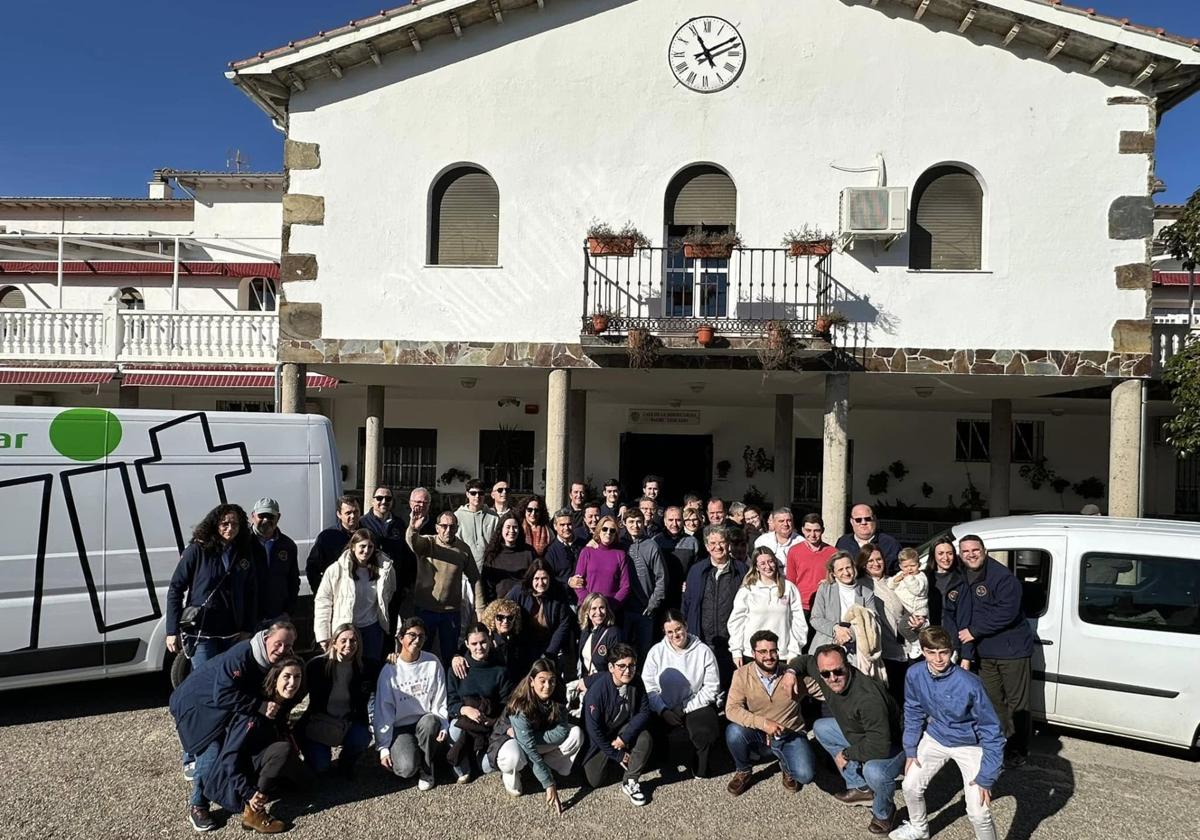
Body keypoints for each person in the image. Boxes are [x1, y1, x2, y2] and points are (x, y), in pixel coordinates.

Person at [169, 621, 297, 832]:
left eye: (288, 646)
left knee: (239, 743)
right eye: (278, 643)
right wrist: (259, 705)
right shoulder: (242, 655)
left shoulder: (268, 660)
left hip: (224, 708)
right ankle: (198, 805)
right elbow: (223, 694)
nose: (282, 650)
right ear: (266, 639)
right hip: (198, 706)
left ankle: (239, 790)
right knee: (211, 754)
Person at [888, 627, 1005, 840]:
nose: (938, 658)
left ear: (951, 651)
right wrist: (911, 749)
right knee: (910, 785)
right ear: (923, 652)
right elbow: (913, 710)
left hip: (970, 743)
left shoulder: (970, 683)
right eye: (931, 652)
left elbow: (992, 730)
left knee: (979, 811)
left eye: (943, 652)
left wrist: (987, 777)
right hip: (936, 736)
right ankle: (918, 829)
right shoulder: (915, 674)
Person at [786, 644, 906, 835]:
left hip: (894, 743)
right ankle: (861, 788)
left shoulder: (868, 699)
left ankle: (884, 812)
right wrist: (791, 671)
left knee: (874, 771)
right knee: (821, 728)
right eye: (825, 674)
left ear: (847, 666)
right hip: (862, 733)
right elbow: (805, 661)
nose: (832, 678)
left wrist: (847, 754)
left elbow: (880, 747)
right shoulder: (824, 672)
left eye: (838, 671)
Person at [945, 534, 1035, 768]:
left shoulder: (1003, 577)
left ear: (984, 551)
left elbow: (1008, 612)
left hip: (1012, 650)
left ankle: (1018, 750)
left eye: (975, 550)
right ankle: (1000, 743)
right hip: (985, 652)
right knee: (993, 702)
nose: (971, 555)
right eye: (965, 552)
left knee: (1018, 704)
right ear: (960, 555)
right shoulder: (961, 576)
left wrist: (974, 631)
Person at [204, 656, 311, 833]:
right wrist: (248, 793)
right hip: (241, 770)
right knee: (282, 750)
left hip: (262, 756)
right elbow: (229, 758)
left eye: (297, 677)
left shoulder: (283, 701)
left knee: (309, 784)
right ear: (275, 677)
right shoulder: (255, 711)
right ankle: (254, 810)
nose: (292, 683)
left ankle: (274, 782)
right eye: (287, 677)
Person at [166, 503, 262, 672]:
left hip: (233, 633)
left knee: (228, 680)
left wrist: (248, 628)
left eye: (235, 524)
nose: (230, 528)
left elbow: (251, 594)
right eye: (225, 524)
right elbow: (175, 589)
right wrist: (172, 631)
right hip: (202, 632)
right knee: (206, 678)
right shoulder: (197, 550)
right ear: (215, 525)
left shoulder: (244, 553)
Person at [724, 629, 816, 796]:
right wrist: (764, 724)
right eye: (763, 652)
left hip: (790, 733)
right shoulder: (741, 674)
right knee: (734, 732)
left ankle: (787, 767)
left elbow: (824, 689)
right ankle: (744, 771)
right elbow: (731, 709)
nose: (769, 656)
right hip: (760, 735)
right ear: (753, 653)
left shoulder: (791, 675)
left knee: (805, 775)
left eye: (773, 651)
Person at [488, 658, 584, 807]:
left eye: (551, 680)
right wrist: (549, 784)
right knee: (512, 757)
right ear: (532, 680)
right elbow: (528, 746)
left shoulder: (558, 694)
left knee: (576, 734)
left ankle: (546, 766)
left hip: (531, 739)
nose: (547, 686)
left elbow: (562, 730)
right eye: (542, 681)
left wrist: (528, 738)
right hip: (509, 740)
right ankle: (512, 773)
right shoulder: (520, 703)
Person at [641, 610, 721, 778]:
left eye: (678, 629)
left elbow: (711, 687)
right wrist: (663, 710)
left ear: (685, 625)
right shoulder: (656, 652)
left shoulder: (703, 651)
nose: (675, 635)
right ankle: (658, 758)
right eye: (670, 632)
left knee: (705, 731)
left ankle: (699, 764)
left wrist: (685, 707)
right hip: (664, 706)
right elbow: (648, 686)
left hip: (694, 704)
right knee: (646, 727)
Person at [375, 617, 449, 791]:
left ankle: (427, 767)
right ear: (401, 638)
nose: (417, 640)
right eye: (412, 635)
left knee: (431, 721)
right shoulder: (390, 670)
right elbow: (383, 710)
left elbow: (440, 697)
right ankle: (413, 754)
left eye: (421, 636)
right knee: (406, 769)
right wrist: (383, 747)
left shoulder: (432, 662)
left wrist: (444, 724)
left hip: (425, 723)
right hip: (400, 728)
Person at [407, 510, 485, 666]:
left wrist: (480, 608)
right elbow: (413, 542)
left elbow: (475, 578)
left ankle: (450, 688)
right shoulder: (428, 543)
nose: (448, 530)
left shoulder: (463, 549)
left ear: (457, 528)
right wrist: (413, 528)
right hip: (425, 609)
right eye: (444, 526)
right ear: (437, 528)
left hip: (451, 613)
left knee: (451, 656)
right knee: (421, 652)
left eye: (452, 526)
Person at [582, 643, 653, 806]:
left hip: (622, 730)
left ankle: (630, 780)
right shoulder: (597, 691)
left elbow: (644, 712)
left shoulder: (636, 680)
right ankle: (620, 759)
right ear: (611, 667)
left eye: (631, 665)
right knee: (595, 780)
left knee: (645, 737)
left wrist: (624, 738)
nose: (627, 671)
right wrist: (616, 754)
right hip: (602, 737)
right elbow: (594, 730)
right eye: (621, 666)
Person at [313, 528, 395, 669]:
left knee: (371, 669)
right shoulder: (336, 570)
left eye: (370, 546)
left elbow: (390, 592)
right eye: (362, 546)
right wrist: (323, 636)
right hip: (346, 629)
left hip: (372, 628)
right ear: (353, 546)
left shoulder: (385, 568)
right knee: (344, 669)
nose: (366, 551)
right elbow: (323, 603)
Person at [299, 624, 372, 776]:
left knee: (362, 737)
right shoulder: (316, 666)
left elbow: (387, 672)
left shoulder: (366, 667)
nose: (348, 645)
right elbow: (298, 694)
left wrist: (394, 658)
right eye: (343, 640)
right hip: (320, 722)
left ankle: (346, 762)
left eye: (353, 641)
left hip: (348, 721)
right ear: (334, 642)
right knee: (320, 766)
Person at [682, 525, 747, 689]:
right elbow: (687, 604)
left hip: (731, 644)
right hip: (703, 641)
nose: (717, 547)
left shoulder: (742, 570)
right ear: (706, 546)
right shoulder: (697, 571)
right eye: (712, 543)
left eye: (722, 542)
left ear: (728, 544)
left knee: (730, 688)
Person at [447, 622, 513, 782]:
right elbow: (451, 703)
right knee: (455, 729)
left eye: (483, 642)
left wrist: (492, 720)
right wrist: (465, 710)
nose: (479, 647)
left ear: (490, 640)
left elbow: (506, 703)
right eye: (474, 643)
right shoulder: (458, 669)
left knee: (487, 767)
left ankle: (477, 755)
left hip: (489, 724)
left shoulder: (500, 670)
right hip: (465, 723)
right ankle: (463, 759)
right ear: (467, 645)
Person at [810, 552, 884, 680]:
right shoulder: (825, 589)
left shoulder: (866, 593)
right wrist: (836, 629)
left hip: (856, 652)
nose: (846, 572)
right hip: (826, 647)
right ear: (833, 573)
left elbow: (874, 623)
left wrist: (851, 634)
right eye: (840, 569)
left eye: (848, 567)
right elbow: (815, 619)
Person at [728, 546, 808, 665]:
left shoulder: (789, 588)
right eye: (763, 563)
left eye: (770, 562)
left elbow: (798, 622)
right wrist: (736, 651)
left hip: (781, 654)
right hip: (752, 654)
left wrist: (794, 651)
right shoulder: (748, 590)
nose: (768, 566)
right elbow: (736, 622)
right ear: (756, 567)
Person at [861, 544, 921, 701]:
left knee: (908, 696)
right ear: (863, 564)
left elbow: (912, 602)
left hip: (906, 645)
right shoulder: (860, 585)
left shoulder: (895, 580)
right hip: (882, 651)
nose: (876, 563)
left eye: (879, 559)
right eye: (870, 560)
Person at [511, 559, 573, 671]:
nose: (541, 583)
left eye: (544, 578)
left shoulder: (559, 592)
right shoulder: (519, 591)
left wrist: (551, 652)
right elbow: (503, 608)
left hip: (549, 643)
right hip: (524, 644)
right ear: (531, 579)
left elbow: (563, 623)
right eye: (537, 579)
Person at [622, 508, 667, 656]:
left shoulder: (652, 546)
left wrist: (653, 603)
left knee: (644, 652)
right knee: (623, 651)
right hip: (623, 609)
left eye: (638, 522)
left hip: (645, 609)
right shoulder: (620, 545)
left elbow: (661, 577)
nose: (635, 525)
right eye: (631, 522)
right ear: (624, 523)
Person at [250, 498, 299, 624]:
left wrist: (288, 611)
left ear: (278, 517)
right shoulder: (242, 543)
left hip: (277, 617)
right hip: (248, 620)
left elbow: (293, 581)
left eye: (270, 516)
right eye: (262, 516)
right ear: (253, 516)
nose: (266, 520)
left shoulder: (288, 545)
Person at [569, 593, 622, 704]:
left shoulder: (613, 633)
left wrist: (587, 681)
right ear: (587, 611)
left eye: (602, 608)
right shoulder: (585, 631)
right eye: (594, 608)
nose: (598, 612)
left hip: (603, 688)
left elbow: (614, 671)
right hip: (587, 687)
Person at [569, 515, 630, 608]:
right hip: (587, 607)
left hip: (611, 608)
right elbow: (578, 582)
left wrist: (611, 605)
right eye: (605, 529)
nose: (608, 533)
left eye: (612, 530)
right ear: (599, 530)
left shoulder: (620, 555)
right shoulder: (587, 551)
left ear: (616, 534)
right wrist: (590, 604)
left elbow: (625, 586)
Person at [786, 513, 838, 618]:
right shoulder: (794, 551)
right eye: (808, 530)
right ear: (803, 530)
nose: (813, 535)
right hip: (801, 605)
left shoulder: (833, 552)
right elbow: (790, 581)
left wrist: (830, 581)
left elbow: (839, 578)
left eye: (816, 530)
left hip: (825, 604)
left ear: (822, 530)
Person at [305, 496, 361, 593]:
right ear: (339, 514)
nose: (353, 516)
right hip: (336, 593)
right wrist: (321, 592)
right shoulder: (327, 537)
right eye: (348, 513)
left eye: (356, 512)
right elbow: (312, 568)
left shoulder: (368, 535)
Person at [481, 512, 535, 603]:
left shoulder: (529, 553)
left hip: (524, 604)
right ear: (501, 529)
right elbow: (487, 586)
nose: (512, 531)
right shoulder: (492, 554)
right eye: (508, 527)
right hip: (499, 606)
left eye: (515, 527)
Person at [654, 505, 699, 609]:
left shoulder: (692, 542)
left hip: (684, 595)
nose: (674, 524)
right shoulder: (656, 542)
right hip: (662, 595)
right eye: (670, 520)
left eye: (678, 520)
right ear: (664, 521)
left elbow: (696, 569)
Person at [836, 504, 902, 575]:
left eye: (867, 519)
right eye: (858, 520)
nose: (863, 523)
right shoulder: (843, 542)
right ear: (852, 522)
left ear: (874, 519)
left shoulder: (890, 543)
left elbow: (899, 571)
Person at [889, 548, 930, 660]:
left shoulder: (921, 577)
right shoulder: (902, 574)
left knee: (903, 627)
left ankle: (916, 643)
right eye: (906, 566)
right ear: (901, 566)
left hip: (917, 609)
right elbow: (890, 585)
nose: (909, 569)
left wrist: (908, 578)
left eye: (913, 565)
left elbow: (916, 590)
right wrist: (897, 579)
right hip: (907, 608)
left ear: (919, 564)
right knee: (903, 626)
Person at [456, 479, 499, 565]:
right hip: (464, 567)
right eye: (473, 493)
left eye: (481, 493)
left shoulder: (494, 517)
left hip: (489, 567)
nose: (477, 496)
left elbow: (498, 543)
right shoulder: (457, 516)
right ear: (467, 494)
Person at [924, 536, 961, 629]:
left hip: (955, 636)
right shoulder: (923, 578)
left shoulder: (962, 578)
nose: (946, 558)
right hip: (931, 634)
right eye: (941, 553)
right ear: (933, 555)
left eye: (950, 553)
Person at [545, 509, 582, 595]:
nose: (566, 528)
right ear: (555, 526)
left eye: (569, 524)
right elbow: (549, 577)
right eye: (562, 525)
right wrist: (568, 581)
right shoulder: (550, 551)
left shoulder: (582, 546)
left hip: (582, 597)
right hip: (561, 598)